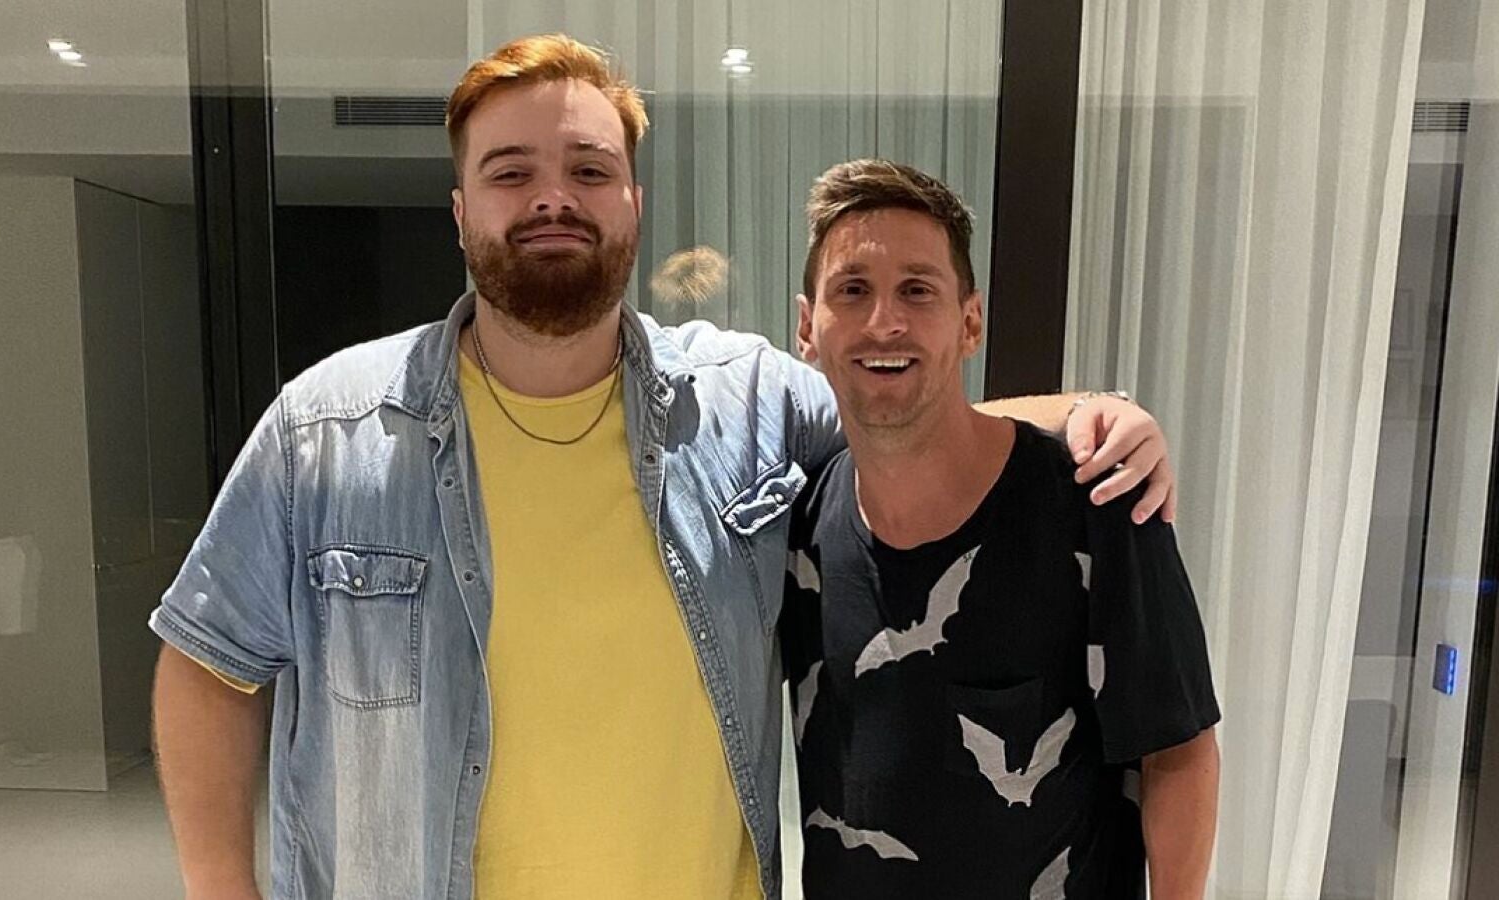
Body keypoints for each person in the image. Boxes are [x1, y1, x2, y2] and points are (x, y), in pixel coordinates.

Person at [149, 34, 1180, 900]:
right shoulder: (326, 430)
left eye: (589, 170)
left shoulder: (745, 400)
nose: (554, 198)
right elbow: (206, 666)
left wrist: (1088, 415)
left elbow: (906, 416)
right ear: (461, 211)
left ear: (632, 203)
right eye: (511, 173)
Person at [782, 159, 1220, 899]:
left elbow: (1177, 750)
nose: (884, 322)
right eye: (852, 290)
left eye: (917, 290)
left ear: (970, 323)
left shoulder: (1095, 504)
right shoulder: (799, 528)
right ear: (807, 328)